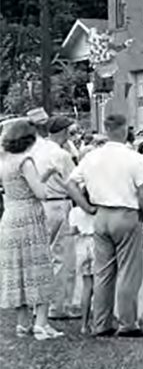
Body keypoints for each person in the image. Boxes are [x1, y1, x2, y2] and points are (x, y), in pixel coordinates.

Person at [65, 114, 143, 337]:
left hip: (101, 215)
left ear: (106, 130)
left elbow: (70, 184)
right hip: (125, 214)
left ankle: (101, 323)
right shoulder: (134, 158)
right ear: (124, 129)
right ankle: (128, 323)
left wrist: (87, 207)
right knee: (128, 271)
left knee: (103, 272)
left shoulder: (92, 157)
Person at [0, 120, 74, 340]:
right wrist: (47, 179)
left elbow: (21, 186)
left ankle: (22, 323)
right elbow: (40, 193)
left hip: (11, 216)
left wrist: (45, 175)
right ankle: (41, 323)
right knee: (39, 267)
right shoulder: (25, 161)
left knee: (18, 270)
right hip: (29, 217)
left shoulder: (4, 160)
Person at [30, 115, 80, 320]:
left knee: (43, 257)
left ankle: (37, 304)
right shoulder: (61, 155)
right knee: (63, 258)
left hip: (40, 204)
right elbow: (75, 181)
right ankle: (58, 306)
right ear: (64, 132)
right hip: (59, 203)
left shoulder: (36, 149)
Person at [68, 203, 95, 333]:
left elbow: (72, 231)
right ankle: (99, 322)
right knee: (100, 286)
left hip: (82, 248)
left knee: (87, 287)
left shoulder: (74, 212)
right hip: (97, 245)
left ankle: (84, 325)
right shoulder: (99, 210)